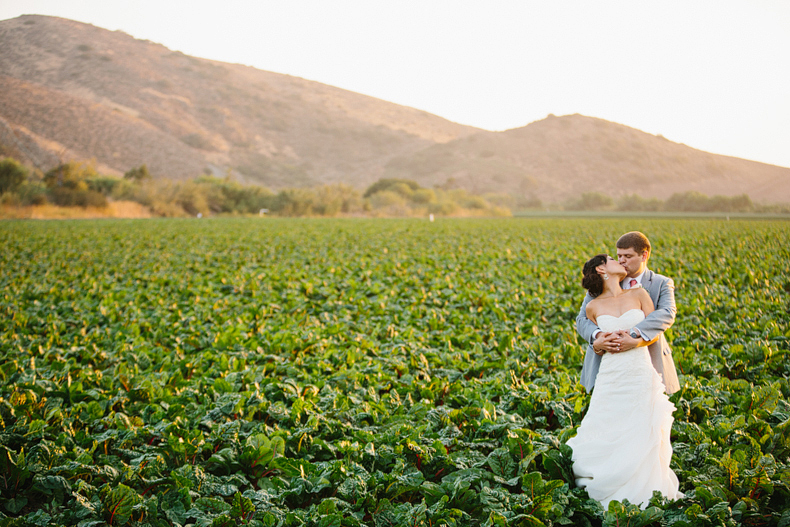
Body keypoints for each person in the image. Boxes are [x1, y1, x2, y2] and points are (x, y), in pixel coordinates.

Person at [566, 254, 682, 508]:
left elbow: (656, 329)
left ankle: (644, 484)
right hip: (611, 372)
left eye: (624, 256)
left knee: (642, 424)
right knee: (607, 422)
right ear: (601, 269)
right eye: (613, 258)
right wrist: (597, 340)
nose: (620, 261)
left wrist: (636, 339)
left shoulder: (641, 294)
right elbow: (583, 325)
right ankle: (606, 478)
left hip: (639, 370)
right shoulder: (593, 305)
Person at [576, 232, 680, 394]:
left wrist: (633, 335)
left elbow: (666, 313)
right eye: (619, 256)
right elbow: (582, 320)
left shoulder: (661, 283)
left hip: (647, 358)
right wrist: (598, 338)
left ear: (644, 255)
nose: (622, 260)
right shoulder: (601, 284)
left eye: (628, 256)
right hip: (608, 362)